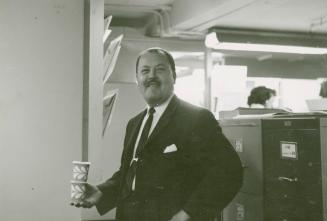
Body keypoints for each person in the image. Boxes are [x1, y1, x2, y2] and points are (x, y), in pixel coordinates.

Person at [71, 48, 243, 221]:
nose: (151, 76)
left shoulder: (197, 118)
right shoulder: (135, 123)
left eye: (159, 69)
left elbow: (229, 171)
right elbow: (131, 173)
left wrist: (189, 213)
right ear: (137, 79)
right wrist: (102, 191)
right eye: (145, 71)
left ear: (174, 76)